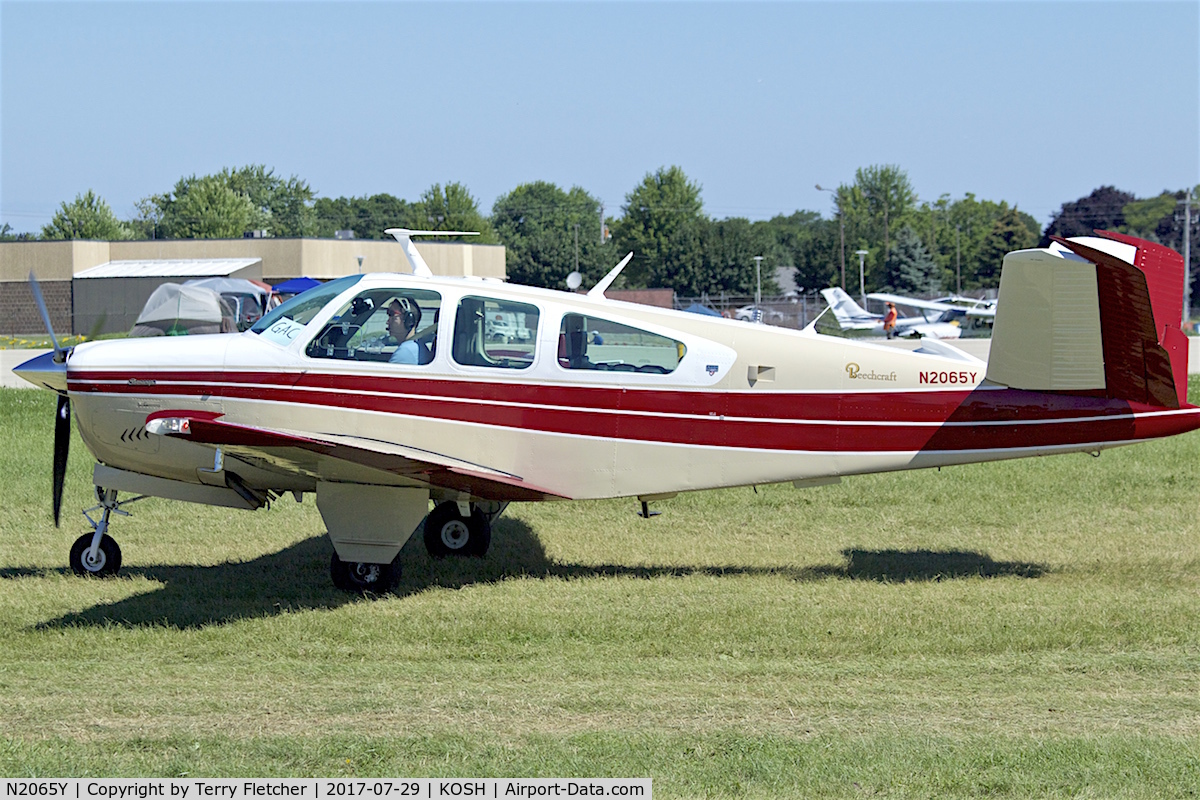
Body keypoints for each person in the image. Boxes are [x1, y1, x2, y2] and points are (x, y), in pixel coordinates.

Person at [385, 298, 428, 364]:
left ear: (409, 321)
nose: (387, 322)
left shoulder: (405, 351)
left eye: (392, 315)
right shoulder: (416, 345)